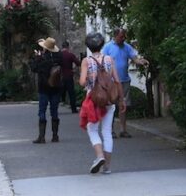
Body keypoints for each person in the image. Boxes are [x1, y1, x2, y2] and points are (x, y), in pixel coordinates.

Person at [79, 32, 125, 174]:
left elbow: (82, 82)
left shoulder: (87, 61)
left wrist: (88, 78)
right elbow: (117, 80)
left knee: (92, 129)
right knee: (107, 132)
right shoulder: (110, 59)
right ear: (102, 44)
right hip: (109, 100)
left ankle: (99, 156)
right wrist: (121, 99)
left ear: (88, 46)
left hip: (94, 100)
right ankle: (107, 167)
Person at [101, 28, 148, 138]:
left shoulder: (126, 47)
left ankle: (123, 130)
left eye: (124, 36)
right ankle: (111, 130)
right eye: (121, 37)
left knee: (123, 106)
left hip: (124, 81)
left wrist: (141, 61)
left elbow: (135, 58)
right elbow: (102, 62)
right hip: (112, 82)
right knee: (111, 106)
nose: (123, 39)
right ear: (115, 36)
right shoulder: (108, 47)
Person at [30, 37, 63, 143]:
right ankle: (55, 135)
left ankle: (42, 136)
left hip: (43, 87)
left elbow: (34, 68)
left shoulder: (42, 59)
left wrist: (37, 58)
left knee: (42, 110)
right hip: (56, 87)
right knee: (54, 111)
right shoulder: (59, 57)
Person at [60, 40, 81, 113]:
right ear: (68, 47)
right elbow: (78, 63)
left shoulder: (59, 55)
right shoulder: (70, 55)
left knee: (59, 92)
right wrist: (74, 70)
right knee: (71, 93)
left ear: (62, 47)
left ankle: (55, 107)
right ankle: (73, 109)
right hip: (69, 75)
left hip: (60, 76)